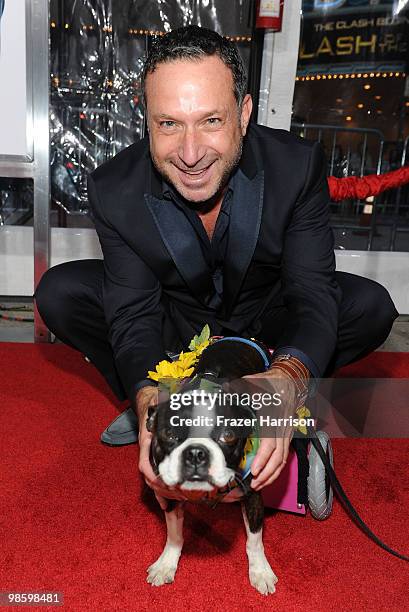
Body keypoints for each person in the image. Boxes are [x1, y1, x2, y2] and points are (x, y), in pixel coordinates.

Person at [35, 25, 398, 505]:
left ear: (244, 115)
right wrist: (148, 396)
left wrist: (286, 377)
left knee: (369, 305)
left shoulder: (296, 165)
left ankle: (293, 411)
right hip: (177, 326)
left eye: (210, 121)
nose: (189, 154)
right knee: (60, 291)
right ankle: (154, 400)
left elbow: (312, 292)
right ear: (147, 121)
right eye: (168, 124)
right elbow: (133, 315)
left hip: (266, 322)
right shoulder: (113, 188)